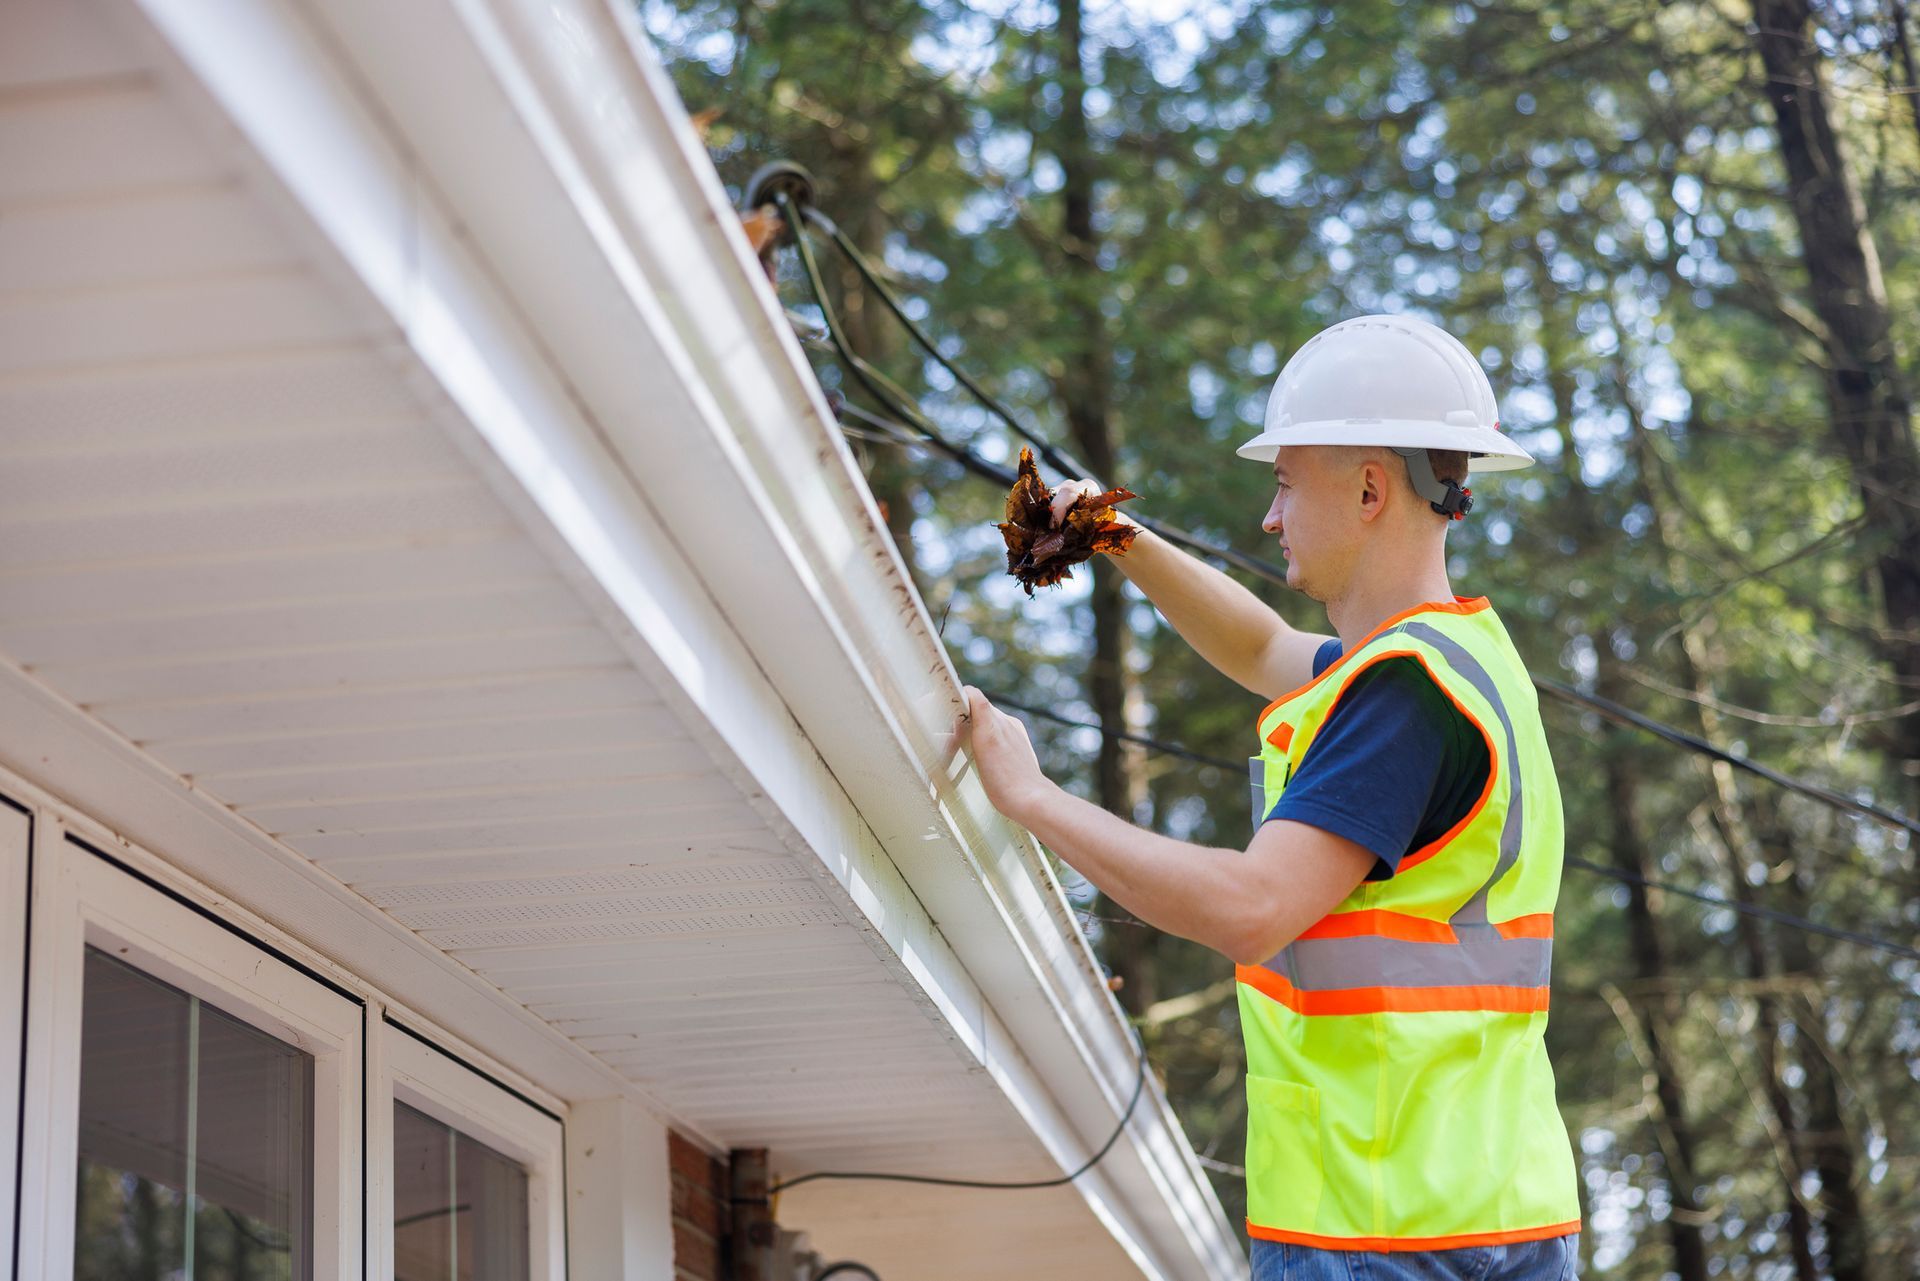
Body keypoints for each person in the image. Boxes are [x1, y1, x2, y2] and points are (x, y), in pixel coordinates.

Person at [954, 314, 1582, 1279]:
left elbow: (1251, 908)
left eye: (1285, 483)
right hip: (1487, 1209)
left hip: (1381, 1234)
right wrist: (1115, 534)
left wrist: (1032, 798)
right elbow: (1258, 649)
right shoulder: (1458, 663)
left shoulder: (1403, 697)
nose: (1270, 516)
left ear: (1371, 487)